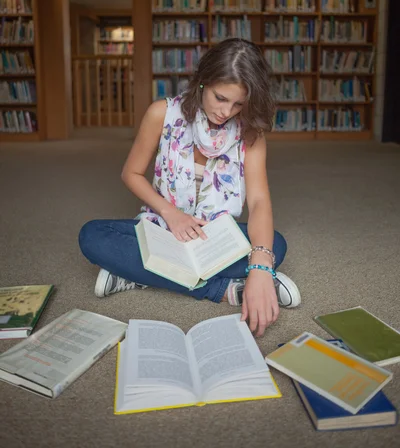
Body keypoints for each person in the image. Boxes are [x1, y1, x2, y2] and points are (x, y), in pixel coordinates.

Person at [79, 38, 301, 337]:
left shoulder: (251, 134)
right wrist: (171, 214)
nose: (226, 111)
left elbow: (259, 201)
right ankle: (221, 290)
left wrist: (261, 265)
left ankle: (139, 275)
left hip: (214, 239)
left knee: (276, 243)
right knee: (92, 235)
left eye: (238, 104)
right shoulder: (162, 113)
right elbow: (131, 173)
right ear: (202, 82)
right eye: (220, 98)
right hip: (164, 228)